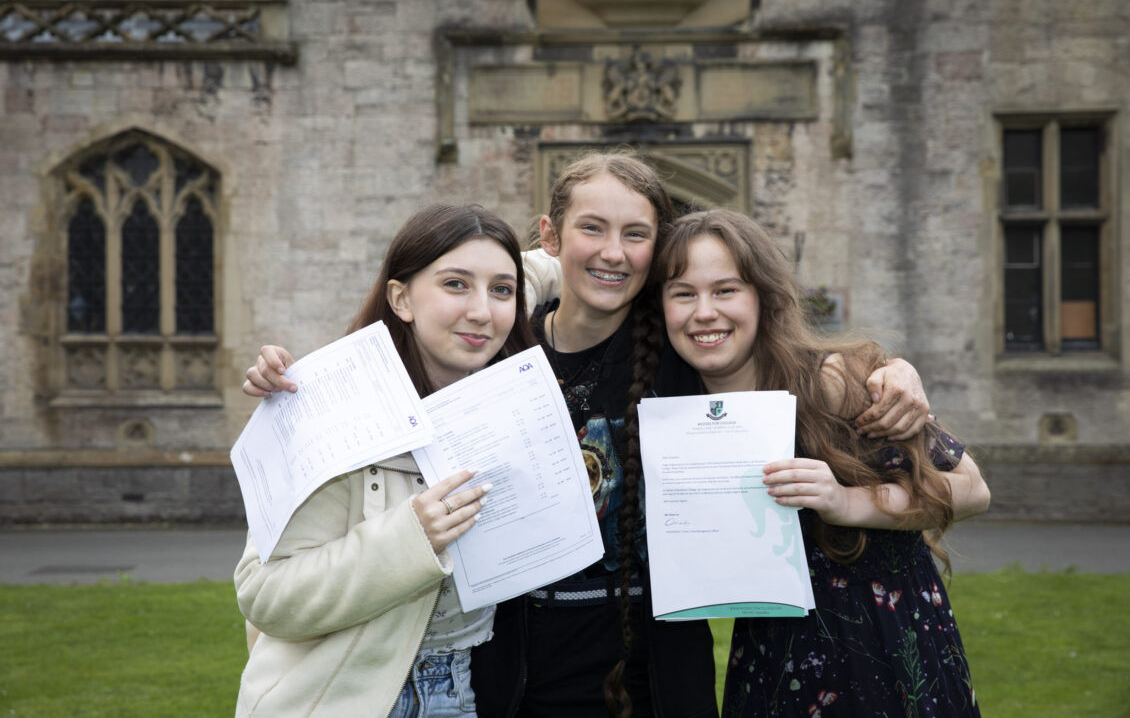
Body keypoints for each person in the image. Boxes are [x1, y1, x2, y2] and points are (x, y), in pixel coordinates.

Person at [243, 153, 932, 718]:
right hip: (507, 678)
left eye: (636, 235)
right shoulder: (498, 349)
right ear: (551, 236)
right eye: (592, 229)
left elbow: (790, 366)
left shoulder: (682, 350)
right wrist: (301, 383)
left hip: (656, 679)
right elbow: (479, 286)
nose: (612, 252)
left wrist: (884, 372)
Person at [653, 209, 990, 718]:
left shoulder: (834, 382)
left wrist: (846, 501)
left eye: (725, 290)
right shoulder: (673, 410)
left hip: (884, 653)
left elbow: (971, 488)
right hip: (772, 665)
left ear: (763, 296)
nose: (704, 312)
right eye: (683, 293)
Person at [232, 203, 537, 718]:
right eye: (456, 285)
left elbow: (557, 268)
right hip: (339, 701)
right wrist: (411, 537)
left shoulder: (504, 408)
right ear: (401, 299)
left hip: (467, 690)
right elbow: (264, 595)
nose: (483, 311)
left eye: (502, 290)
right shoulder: (332, 411)